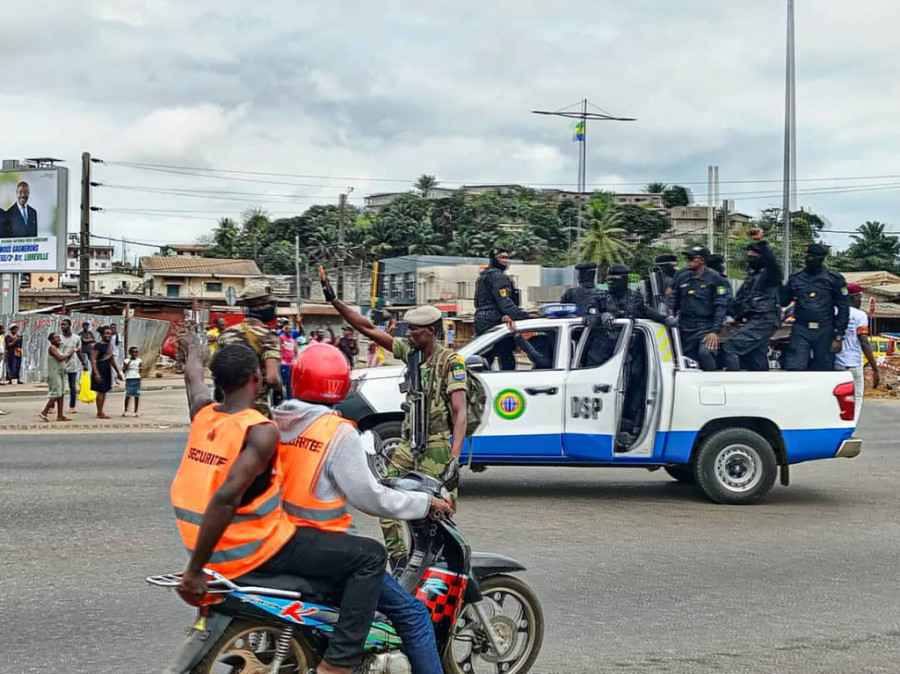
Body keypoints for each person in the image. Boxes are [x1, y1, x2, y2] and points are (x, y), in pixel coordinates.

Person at [173, 339, 387, 674]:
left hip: (205, 546)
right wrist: (194, 572)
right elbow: (226, 498)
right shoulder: (259, 430)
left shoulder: (203, 415)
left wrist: (193, 351)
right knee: (371, 556)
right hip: (256, 547)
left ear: (218, 380)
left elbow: (192, 381)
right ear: (257, 378)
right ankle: (339, 663)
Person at [274, 344, 453, 674]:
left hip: (279, 541)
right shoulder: (336, 431)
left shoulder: (279, 420)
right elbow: (372, 498)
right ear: (341, 385)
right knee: (413, 614)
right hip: (326, 549)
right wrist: (424, 503)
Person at [319, 266, 467, 563]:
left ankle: (439, 562)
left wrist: (454, 458)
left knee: (436, 509)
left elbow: (459, 411)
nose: (408, 333)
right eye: (408, 328)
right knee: (383, 496)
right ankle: (400, 558)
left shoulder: (452, 362)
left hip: (436, 446)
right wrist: (334, 300)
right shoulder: (409, 352)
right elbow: (368, 328)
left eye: (415, 329)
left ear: (431, 332)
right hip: (407, 444)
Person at [215, 282, 284, 416]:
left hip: (226, 409)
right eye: (271, 303)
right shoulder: (268, 336)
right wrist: (280, 390)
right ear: (261, 305)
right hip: (255, 410)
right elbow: (272, 378)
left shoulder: (226, 334)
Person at [781, 243, 850, 371]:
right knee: (794, 366)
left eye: (812, 256)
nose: (808, 259)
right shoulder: (796, 278)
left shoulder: (834, 278)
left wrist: (839, 336)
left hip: (825, 329)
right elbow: (783, 301)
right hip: (801, 328)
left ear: (821, 258)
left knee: (823, 369)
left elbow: (843, 308)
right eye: (807, 256)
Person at [721, 234, 783, 372]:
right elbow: (742, 301)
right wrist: (736, 317)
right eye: (748, 254)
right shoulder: (751, 277)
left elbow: (772, 263)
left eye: (754, 255)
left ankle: (732, 382)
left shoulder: (770, 275)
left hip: (764, 319)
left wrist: (760, 242)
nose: (750, 256)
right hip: (753, 320)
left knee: (730, 347)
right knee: (755, 356)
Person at [668, 246, 729, 371]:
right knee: (688, 361)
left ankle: (712, 381)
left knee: (705, 353)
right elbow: (675, 300)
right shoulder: (682, 277)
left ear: (701, 260)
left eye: (691, 258)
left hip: (706, 327)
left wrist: (714, 331)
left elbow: (720, 306)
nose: (687, 261)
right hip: (686, 328)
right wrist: (671, 312)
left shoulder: (716, 279)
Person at [474, 246, 530, 370]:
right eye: (501, 258)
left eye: (506, 258)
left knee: (483, 358)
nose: (505, 261)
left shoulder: (482, 277)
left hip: (481, 319)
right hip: (496, 320)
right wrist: (524, 316)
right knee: (506, 357)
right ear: (494, 259)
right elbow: (504, 302)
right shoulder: (499, 277)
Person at [835, 284, 879, 420]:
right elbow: (864, 342)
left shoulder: (835, 312)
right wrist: (875, 369)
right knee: (857, 398)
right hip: (853, 364)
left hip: (835, 364)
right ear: (853, 298)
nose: (861, 301)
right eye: (860, 297)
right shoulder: (860, 315)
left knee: (836, 399)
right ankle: (851, 426)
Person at [39, 333, 73, 422]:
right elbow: (60, 357)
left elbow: (64, 359)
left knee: (61, 393)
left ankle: (60, 415)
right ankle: (44, 411)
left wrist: (70, 355)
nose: (58, 339)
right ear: (51, 340)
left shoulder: (58, 348)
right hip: (54, 373)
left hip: (60, 373)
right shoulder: (52, 348)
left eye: (58, 337)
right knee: (56, 393)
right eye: (55, 338)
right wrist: (70, 353)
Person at [91, 326, 123, 419]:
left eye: (110, 333)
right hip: (99, 369)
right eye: (106, 333)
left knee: (104, 391)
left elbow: (111, 359)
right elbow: (93, 360)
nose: (108, 335)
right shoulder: (98, 345)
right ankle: (100, 412)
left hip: (106, 369)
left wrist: (118, 372)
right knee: (100, 391)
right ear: (102, 335)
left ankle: (100, 411)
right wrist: (96, 373)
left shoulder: (109, 346)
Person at [59, 319, 88, 414]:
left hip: (72, 366)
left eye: (64, 325)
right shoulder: (59, 338)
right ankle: (53, 406)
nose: (62, 326)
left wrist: (83, 363)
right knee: (59, 387)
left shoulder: (76, 338)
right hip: (61, 365)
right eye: (61, 325)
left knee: (73, 387)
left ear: (69, 325)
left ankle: (72, 406)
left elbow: (79, 351)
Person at [278, 323, 297, 399]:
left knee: (290, 383)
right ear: (284, 330)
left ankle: (289, 398)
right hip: (284, 364)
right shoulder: (281, 338)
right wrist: (281, 360)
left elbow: (296, 351)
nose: (289, 331)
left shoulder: (293, 340)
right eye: (287, 329)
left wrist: (295, 360)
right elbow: (278, 348)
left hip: (291, 364)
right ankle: (280, 397)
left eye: (290, 330)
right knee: (283, 381)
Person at [122, 346, 142, 417]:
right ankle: (126, 410)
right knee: (128, 394)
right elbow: (123, 370)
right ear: (130, 353)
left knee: (137, 395)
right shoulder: (126, 361)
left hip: (136, 378)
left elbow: (140, 369)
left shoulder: (139, 360)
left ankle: (136, 411)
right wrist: (127, 365)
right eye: (133, 352)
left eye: (136, 352)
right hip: (129, 378)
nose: (135, 354)